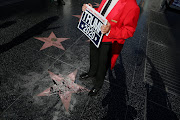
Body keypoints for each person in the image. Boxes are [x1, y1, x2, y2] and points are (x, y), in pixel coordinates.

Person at [80, 0, 140, 96]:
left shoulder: (132, 6)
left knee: (102, 65)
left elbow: (129, 30)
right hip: (95, 33)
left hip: (109, 40)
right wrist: (91, 10)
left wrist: (110, 30)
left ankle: (98, 85)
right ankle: (91, 72)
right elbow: (103, 12)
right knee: (93, 55)